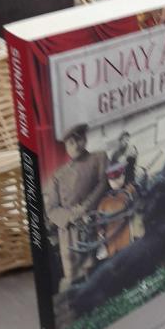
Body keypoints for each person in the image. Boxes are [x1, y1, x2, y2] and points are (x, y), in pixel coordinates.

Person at [45, 124, 107, 291]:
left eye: (78, 140)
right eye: (70, 143)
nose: (75, 146)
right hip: (70, 231)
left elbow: (103, 184)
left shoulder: (99, 158)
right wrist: (71, 216)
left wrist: (85, 208)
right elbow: (51, 209)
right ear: (66, 147)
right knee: (75, 277)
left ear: (85, 139)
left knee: (98, 267)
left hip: (94, 221)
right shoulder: (57, 176)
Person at [96, 161, 142, 260]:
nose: (115, 182)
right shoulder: (104, 200)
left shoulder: (131, 190)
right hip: (112, 238)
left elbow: (140, 207)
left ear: (123, 176)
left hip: (130, 234)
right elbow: (99, 219)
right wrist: (100, 232)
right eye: (112, 180)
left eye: (118, 177)